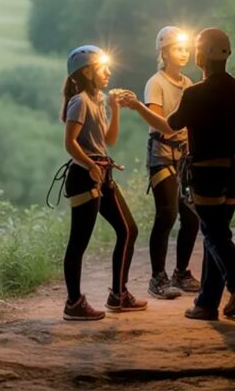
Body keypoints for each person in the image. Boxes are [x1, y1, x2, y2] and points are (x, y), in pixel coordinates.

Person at [118, 28, 235, 320]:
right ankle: (207, 303)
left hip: (206, 172)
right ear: (228, 53)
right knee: (218, 231)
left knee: (212, 232)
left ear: (201, 55)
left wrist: (135, 107)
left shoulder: (194, 92)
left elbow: (170, 127)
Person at [56, 45, 146, 321]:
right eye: (102, 68)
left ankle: (118, 295)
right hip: (86, 176)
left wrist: (114, 109)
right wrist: (91, 165)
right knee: (78, 243)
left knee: (128, 229)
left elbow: (109, 140)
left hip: (100, 173)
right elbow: (70, 143)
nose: (108, 72)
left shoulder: (96, 99)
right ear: (87, 72)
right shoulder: (80, 101)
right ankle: (74, 302)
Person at [143, 26, 201, 299]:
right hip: (162, 155)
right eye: (178, 49)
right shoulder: (156, 83)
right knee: (167, 214)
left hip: (184, 156)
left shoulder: (188, 84)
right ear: (164, 52)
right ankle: (157, 277)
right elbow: (156, 120)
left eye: (186, 48)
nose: (184, 53)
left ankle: (180, 272)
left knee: (191, 217)